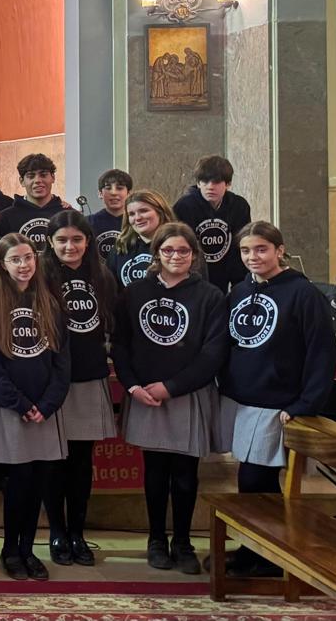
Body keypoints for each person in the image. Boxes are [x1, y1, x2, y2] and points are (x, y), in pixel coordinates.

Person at [216, 222, 336, 578]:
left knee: (259, 482)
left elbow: (322, 353)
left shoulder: (303, 294)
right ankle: (252, 548)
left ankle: (268, 556)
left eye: (261, 249)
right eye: (246, 251)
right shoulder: (239, 291)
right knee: (248, 481)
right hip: (240, 399)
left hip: (275, 402)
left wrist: (305, 404)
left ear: (279, 250)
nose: (253, 257)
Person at [112, 223, 228, 575]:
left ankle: (183, 541)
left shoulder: (210, 296)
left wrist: (172, 386)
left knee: (185, 473)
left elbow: (213, 353)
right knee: (155, 471)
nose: (175, 256)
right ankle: (156, 539)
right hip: (145, 394)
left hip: (187, 393)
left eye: (183, 251)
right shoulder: (134, 292)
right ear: (156, 254)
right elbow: (121, 344)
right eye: (168, 250)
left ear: (194, 255)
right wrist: (133, 386)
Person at [0, 234, 69, 582]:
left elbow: (62, 360)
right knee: (18, 481)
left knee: (40, 480)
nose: (24, 264)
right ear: (2, 264)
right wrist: (20, 403)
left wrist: (48, 403)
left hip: (45, 408)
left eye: (28, 257)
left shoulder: (48, 299)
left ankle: (29, 549)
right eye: (15, 259)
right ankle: (10, 549)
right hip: (9, 407)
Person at [40, 212, 117, 568]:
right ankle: (56, 531)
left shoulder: (102, 275)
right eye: (61, 240)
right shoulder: (40, 276)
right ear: (50, 243)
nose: (69, 246)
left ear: (87, 241)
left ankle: (77, 532)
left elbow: (112, 325)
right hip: (51, 380)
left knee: (82, 462)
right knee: (53, 461)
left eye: (76, 240)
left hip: (88, 376)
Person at [173, 156, 253, 292]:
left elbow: (241, 243)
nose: (210, 187)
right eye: (205, 181)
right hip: (193, 275)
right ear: (198, 183)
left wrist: (241, 282)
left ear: (228, 184)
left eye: (216, 182)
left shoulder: (239, 205)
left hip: (227, 269)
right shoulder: (184, 206)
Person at [0, 153, 66, 252]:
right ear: (22, 181)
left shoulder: (67, 214)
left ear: (53, 177)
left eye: (43, 175)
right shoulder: (5, 218)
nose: (37, 180)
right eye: (31, 176)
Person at [112, 190, 175, 287]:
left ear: (160, 212)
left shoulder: (180, 246)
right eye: (131, 214)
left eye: (144, 211)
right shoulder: (121, 248)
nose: (137, 218)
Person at [88, 169, 133, 263]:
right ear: (100, 194)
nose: (113, 193)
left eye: (119, 188)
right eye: (108, 188)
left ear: (129, 193)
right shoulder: (88, 222)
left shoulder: (136, 222)